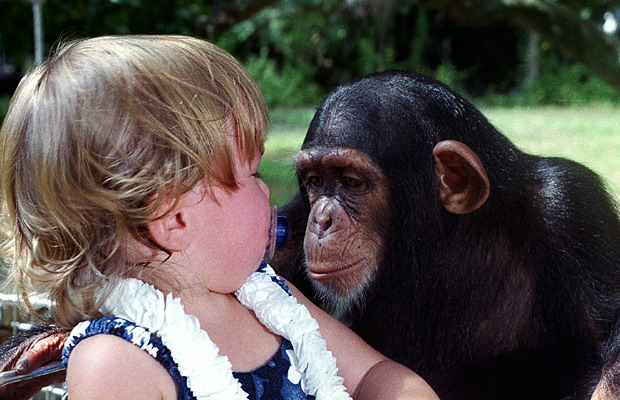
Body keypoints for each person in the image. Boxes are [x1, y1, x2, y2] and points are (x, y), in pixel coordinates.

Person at [0, 35, 438, 400]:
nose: (269, 191)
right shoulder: (115, 359)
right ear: (171, 218)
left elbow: (373, 376)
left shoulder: (270, 300)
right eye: (251, 174)